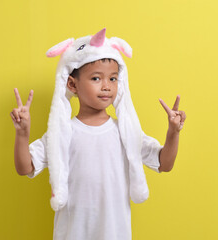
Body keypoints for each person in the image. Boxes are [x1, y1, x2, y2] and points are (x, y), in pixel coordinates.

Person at [10, 28, 186, 240]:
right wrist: (22, 134)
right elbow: (25, 167)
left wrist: (173, 133)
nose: (106, 87)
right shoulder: (63, 132)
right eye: (96, 78)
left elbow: (164, 163)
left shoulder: (126, 132)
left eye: (113, 79)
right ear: (72, 84)